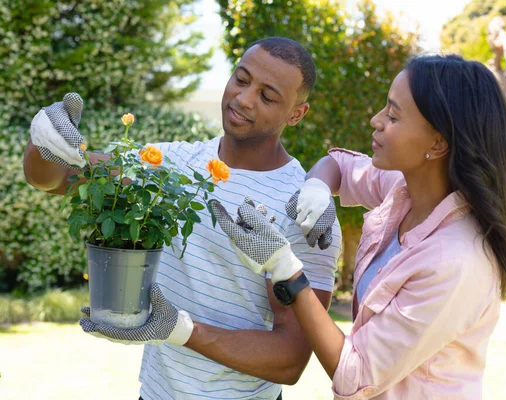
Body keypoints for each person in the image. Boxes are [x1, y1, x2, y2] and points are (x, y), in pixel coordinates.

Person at [23, 37, 342, 400]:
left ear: (296, 114)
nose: (244, 99)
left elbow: (290, 359)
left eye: (268, 96)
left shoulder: (305, 209)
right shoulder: (173, 165)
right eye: (241, 79)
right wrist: (45, 140)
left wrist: (178, 329)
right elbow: (54, 179)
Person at [211, 54, 506, 399]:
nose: (375, 121)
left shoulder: (454, 262)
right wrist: (316, 189)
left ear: (437, 144)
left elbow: (355, 376)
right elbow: (340, 166)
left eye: (392, 115)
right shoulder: (403, 192)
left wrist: (285, 268)